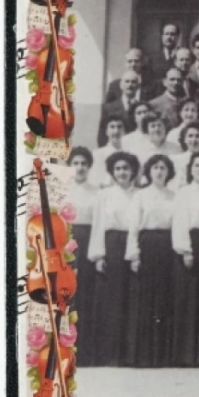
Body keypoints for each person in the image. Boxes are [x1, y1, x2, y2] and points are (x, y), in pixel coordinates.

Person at [123, 152, 177, 367]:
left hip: (167, 247)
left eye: (163, 168)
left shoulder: (174, 196)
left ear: (169, 172)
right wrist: (134, 255)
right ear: (149, 171)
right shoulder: (141, 196)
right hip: (147, 245)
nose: (159, 171)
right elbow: (133, 228)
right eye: (155, 167)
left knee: (164, 297)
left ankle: (162, 356)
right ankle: (144, 356)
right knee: (145, 299)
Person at [86, 152, 139, 366]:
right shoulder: (105, 195)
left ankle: (128, 355)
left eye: (126, 168)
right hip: (112, 245)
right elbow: (98, 225)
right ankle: (109, 355)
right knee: (112, 300)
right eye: (118, 169)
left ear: (133, 171)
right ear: (112, 172)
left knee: (131, 298)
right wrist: (99, 255)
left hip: (134, 244)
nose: (122, 172)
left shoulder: (139, 194)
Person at [171, 151, 199, 366]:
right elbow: (180, 221)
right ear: (190, 170)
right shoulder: (184, 193)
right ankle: (186, 355)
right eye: (197, 165)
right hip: (191, 244)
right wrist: (186, 250)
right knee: (189, 300)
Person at [65, 148, 100, 366]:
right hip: (66, 242)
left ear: (89, 167)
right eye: (76, 163)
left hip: (87, 243)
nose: (79, 167)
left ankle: (85, 353)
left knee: (85, 294)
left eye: (84, 163)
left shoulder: (96, 192)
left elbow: (98, 223)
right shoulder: (62, 191)